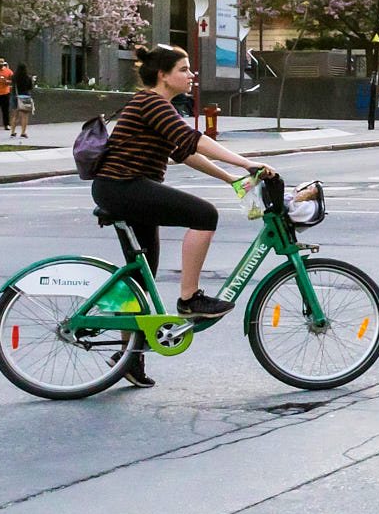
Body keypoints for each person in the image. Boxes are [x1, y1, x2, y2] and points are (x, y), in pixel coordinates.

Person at [91, 44, 268, 389]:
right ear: (163, 75)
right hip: (124, 186)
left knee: (143, 278)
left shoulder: (157, 105)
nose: (191, 75)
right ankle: (189, 299)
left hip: (124, 188)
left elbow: (182, 151)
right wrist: (246, 163)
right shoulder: (151, 102)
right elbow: (193, 140)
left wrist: (230, 177)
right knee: (204, 214)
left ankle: (129, 358)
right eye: (184, 69)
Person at [10, 62, 34, 140]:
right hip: (25, 97)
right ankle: (23, 132)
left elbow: (12, 85)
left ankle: (13, 132)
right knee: (24, 116)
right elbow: (30, 87)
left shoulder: (14, 77)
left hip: (15, 96)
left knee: (15, 115)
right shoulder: (28, 77)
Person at [0, 58, 15, 135]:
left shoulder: (8, 71)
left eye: (1, 62)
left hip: (5, 93)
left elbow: (13, 81)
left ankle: (6, 124)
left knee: (5, 110)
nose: (0, 63)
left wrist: (7, 81)